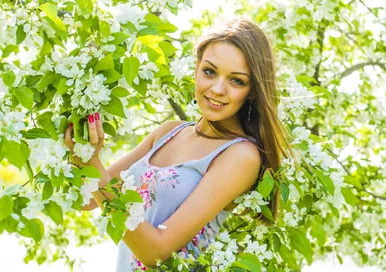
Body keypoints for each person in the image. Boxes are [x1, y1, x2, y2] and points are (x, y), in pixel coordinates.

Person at [63, 18, 293, 271]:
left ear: (252, 91)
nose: (217, 88)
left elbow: (156, 253)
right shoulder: (169, 132)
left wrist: (92, 164)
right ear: (196, 69)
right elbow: (86, 200)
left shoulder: (240, 155)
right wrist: (80, 130)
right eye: (210, 71)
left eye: (236, 80)